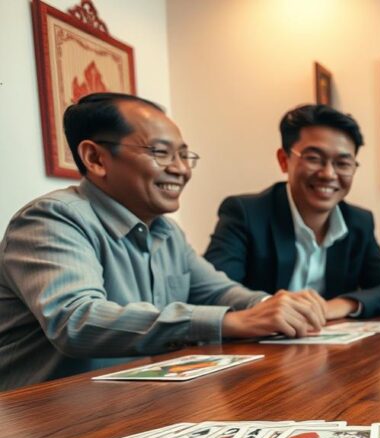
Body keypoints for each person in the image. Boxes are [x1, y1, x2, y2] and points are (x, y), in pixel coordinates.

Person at [0, 93, 327, 391]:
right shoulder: (52, 218)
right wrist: (229, 321)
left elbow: (219, 292)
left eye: (185, 156)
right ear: (95, 158)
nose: (182, 169)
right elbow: (77, 320)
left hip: (136, 405)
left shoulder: (166, 231)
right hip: (41, 426)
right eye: (161, 153)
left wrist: (272, 306)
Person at [204, 105, 380, 319]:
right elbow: (212, 293)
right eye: (313, 158)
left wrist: (340, 305)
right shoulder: (245, 214)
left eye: (343, 163)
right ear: (284, 160)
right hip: (256, 345)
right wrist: (271, 308)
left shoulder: (358, 222)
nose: (328, 174)